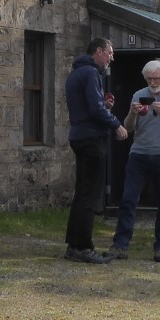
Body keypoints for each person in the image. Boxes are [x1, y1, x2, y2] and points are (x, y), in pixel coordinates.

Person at [104, 58, 160, 263]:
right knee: (128, 199)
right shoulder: (139, 95)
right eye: (149, 79)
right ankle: (120, 245)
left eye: (156, 78)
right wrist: (132, 113)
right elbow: (129, 127)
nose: (152, 82)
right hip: (139, 153)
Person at [64, 37, 129, 264]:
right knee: (90, 194)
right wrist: (116, 124)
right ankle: (83, 247)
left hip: (79, 136)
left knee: (82, 192)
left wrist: (103, 105)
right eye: (109, 53)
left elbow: (89, 106)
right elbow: (94, 109)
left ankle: (74, 245)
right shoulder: (91, 73)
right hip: (91, 139)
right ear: (99, 51)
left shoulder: (76, 73)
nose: (112, 58)